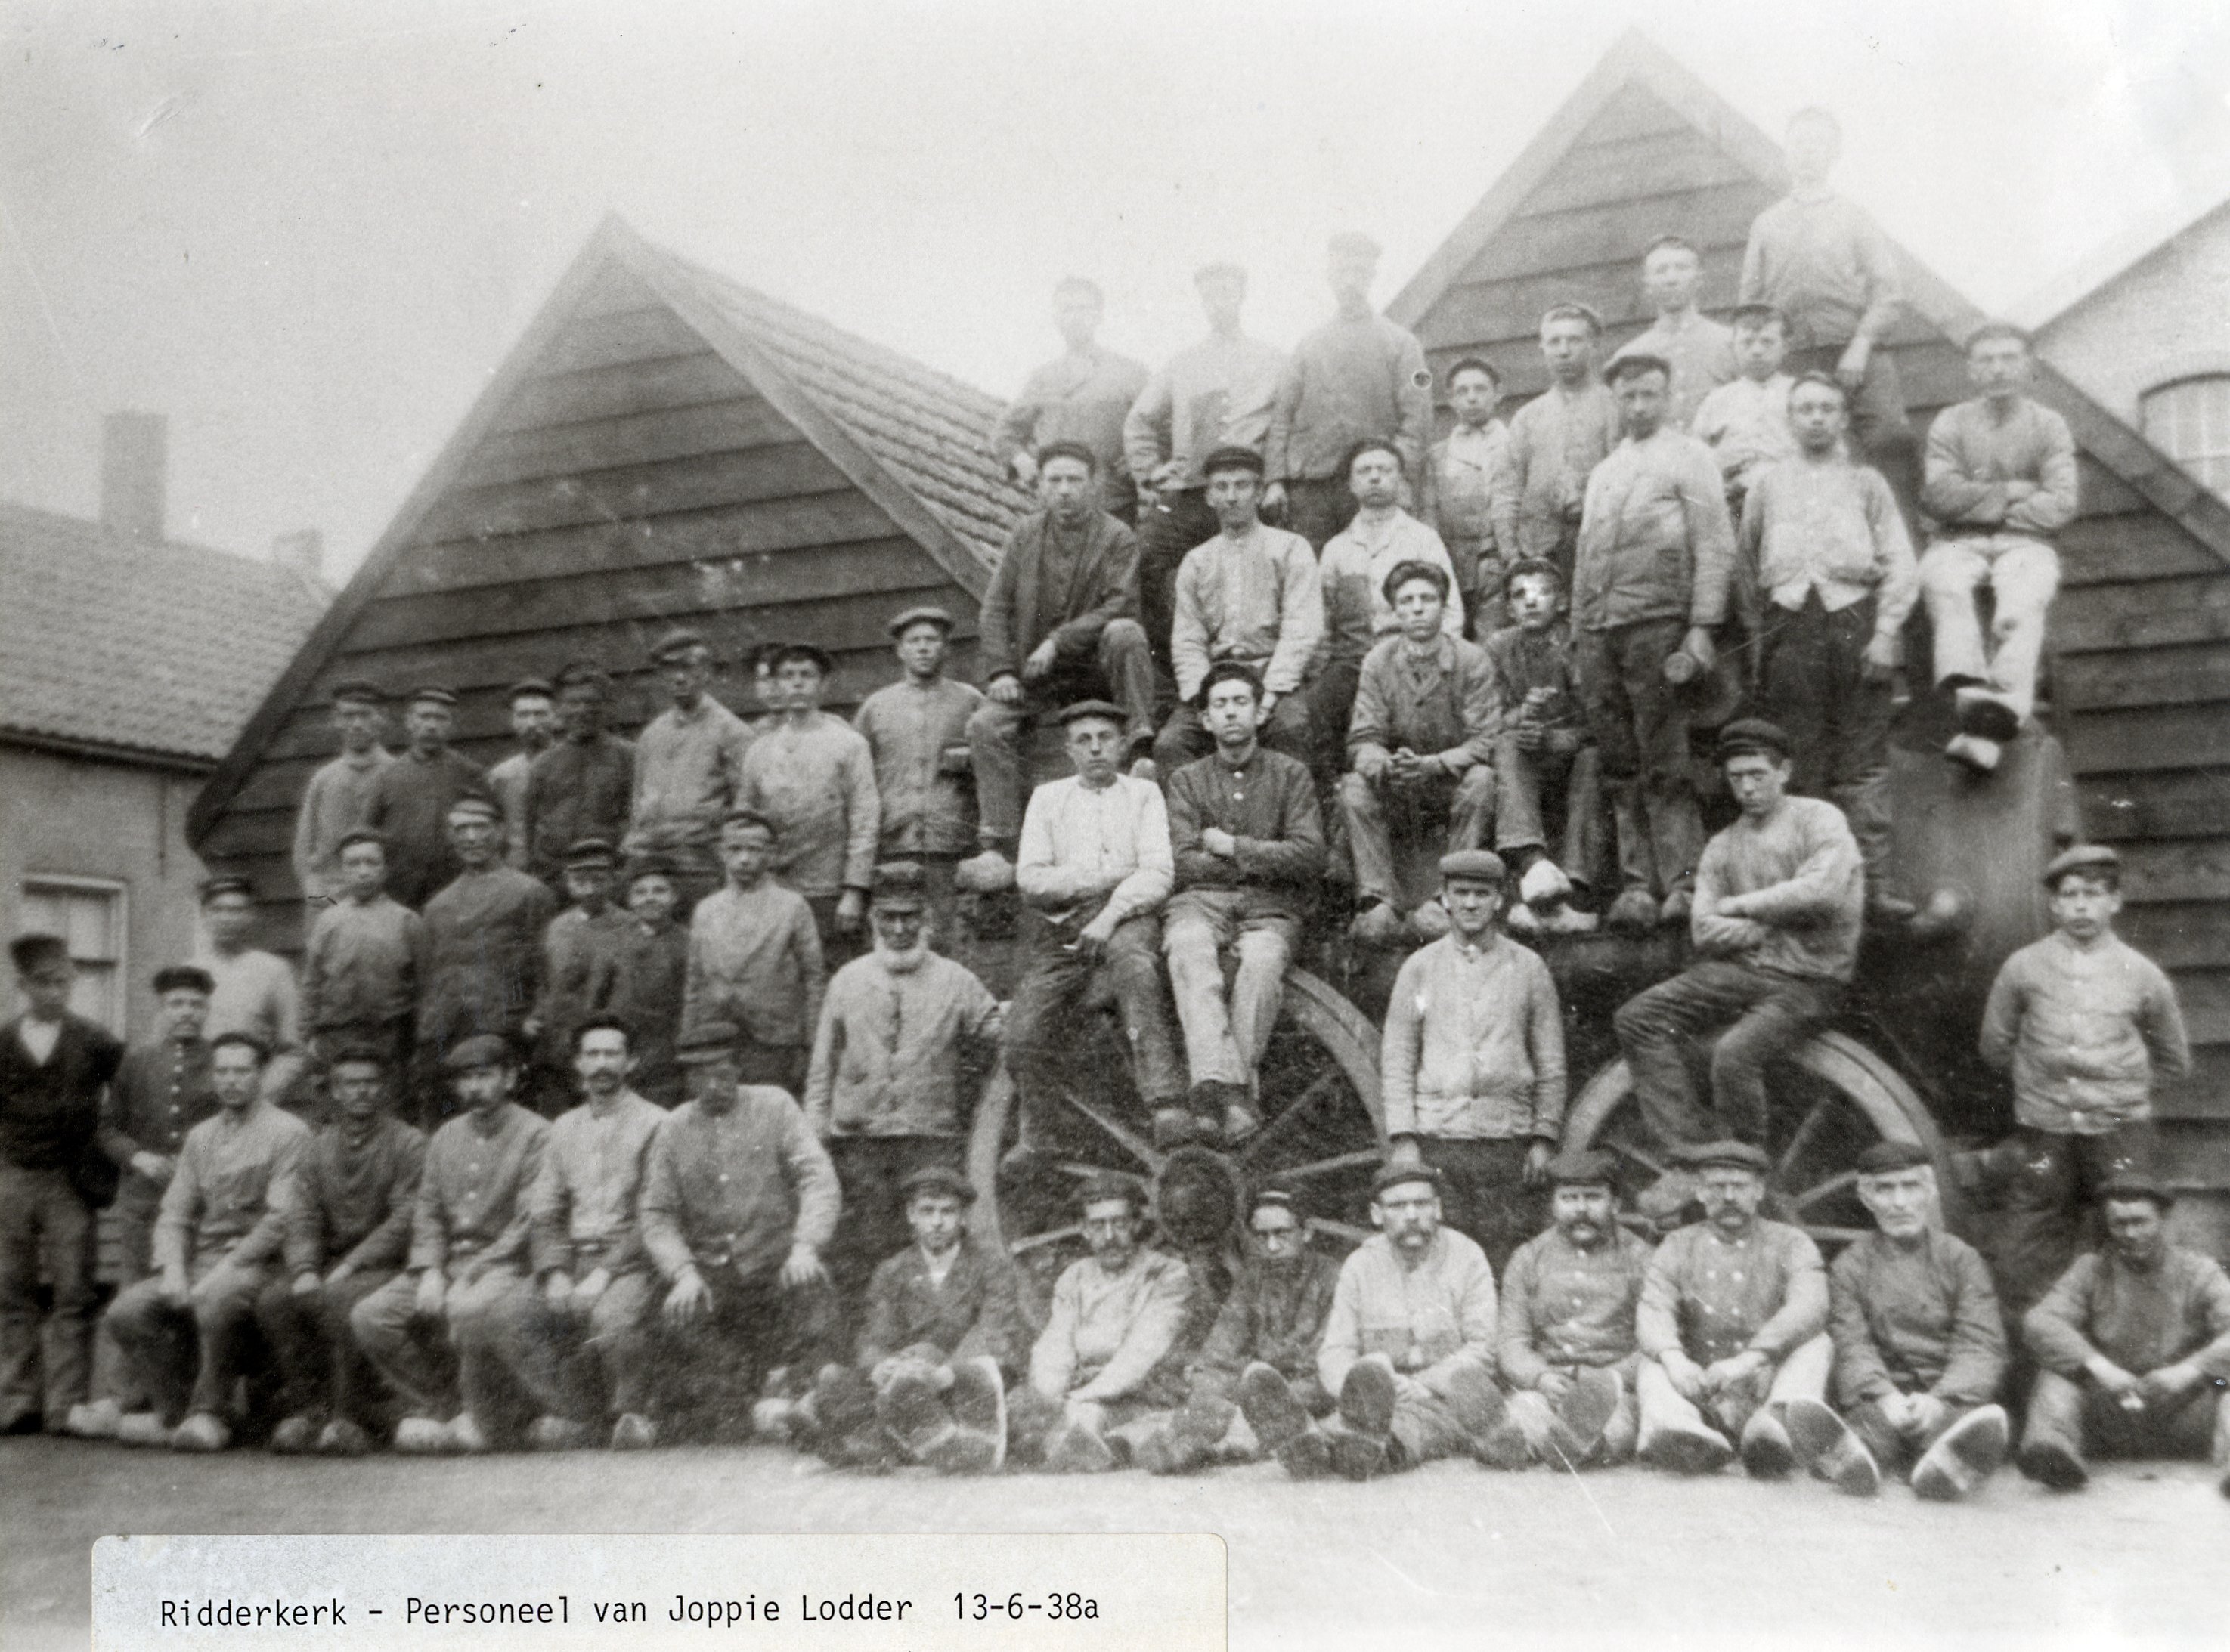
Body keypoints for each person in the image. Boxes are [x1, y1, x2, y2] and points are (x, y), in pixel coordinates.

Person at [1614, 721, 1863, 1179]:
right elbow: (1705, 931)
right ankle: (1693, 1151)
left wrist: (1740, 907)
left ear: (1784, 771)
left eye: (1757, 774)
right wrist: (1771, 926)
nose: (1747, 788)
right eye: (1736, 777)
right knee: (1637, 1018)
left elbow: (1823, 893)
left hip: (1812, 982)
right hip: (1745, 974)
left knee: (1733, 1055)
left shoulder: (1820, 820)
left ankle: (1744, 1164)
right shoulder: (1723, 845)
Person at [1978, 845, 2190, 1319]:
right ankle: (2037, 1346)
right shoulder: (2023, 967)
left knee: (2131, 1235)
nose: (2080, 906)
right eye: (2069, 895)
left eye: (2092, 894)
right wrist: (2042, 1087)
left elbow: (2174, 1061)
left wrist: (2119, 1095)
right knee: (2028, 1245)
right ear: (2054, 905)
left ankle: (2127, 1342)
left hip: (2120, 1135)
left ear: (2114, 901)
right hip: (2044, 1133)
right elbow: (1995, 1045)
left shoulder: (2142, 974)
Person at [1736, 371, 1919, 917]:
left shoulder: (1866, 483)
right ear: (1790, 419)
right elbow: (1745, 567)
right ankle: (1812, 890)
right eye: (1806, 409)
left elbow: (1900, 562)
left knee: (1862, 763)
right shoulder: (1768, 486)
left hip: (1855, 626)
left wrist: (1885, 634)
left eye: (1827, 409)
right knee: (1800, 761)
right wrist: (1761, 640)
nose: (1816, 418)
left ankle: (1874, 887)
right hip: (1790, 631)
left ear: (1842, 419)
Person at [1574, 352, 1736, 933]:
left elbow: (1715, 544)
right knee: (1620, 762)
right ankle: (1638, 885)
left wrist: (1702, 626)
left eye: (1649, 395)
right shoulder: (1605, 470)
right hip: (1600, 632)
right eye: (1629, 396)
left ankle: (1685, 883)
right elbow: (1585, 556)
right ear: (1616, 400)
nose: (1639, 406)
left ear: (1667, 398)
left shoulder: (1690, 458)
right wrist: (1579, 633)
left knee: (1666, 758)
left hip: (1659, 625)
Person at [804, 862, 1002, 1305]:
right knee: (865, 1243)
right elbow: (822, 1066)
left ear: (926, 918)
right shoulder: (847, 980)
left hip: (927, 1137)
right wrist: (817, 1131)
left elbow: (998, 1031)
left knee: (932, 1241)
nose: (899, 929)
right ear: (873, 920)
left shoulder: (956, 980)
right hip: (859, 1140)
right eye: (888, 918)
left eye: (909, 917)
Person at [963, 444, 1158, 890]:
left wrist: (1059, 640)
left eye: (1074, 480)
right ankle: (1000, 843)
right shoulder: (1024, 535)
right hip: (1036, 677)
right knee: (984, 726)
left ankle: (1140, 748)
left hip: (1094, 674)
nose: (1065, 490)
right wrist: (1002, 671)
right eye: (1055, 480)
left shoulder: (1117, 536)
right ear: (1040, 487)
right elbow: (995, 608)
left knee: (1126, 632)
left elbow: (1121, 603)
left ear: (1093, 485)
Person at [103, 1032, 310, 1451]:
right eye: (223, 1071)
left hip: (260, 1263)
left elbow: (280, 1220)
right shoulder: (201, 1136)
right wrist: (173, 1269)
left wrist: (222, 1271)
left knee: (215, 1301)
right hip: (204, 1259)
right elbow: (175, 1212)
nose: (230, 1080)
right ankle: (179, 1411)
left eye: (242, 1071)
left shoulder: (289, 1132)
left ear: (261, 1074)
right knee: (127, 1311)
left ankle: (209, 1411)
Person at [636, 1022, 843, 1443]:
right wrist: (682, 1272)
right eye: (701, 1076)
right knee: (673, 1316)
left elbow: (817, 1178)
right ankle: (737, 1412)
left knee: (815, 1295)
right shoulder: (673, 1128)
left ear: (739, 1068)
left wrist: (806, 1246)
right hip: (711, 1272)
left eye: (723, 1073)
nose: (713, 1086)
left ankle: (812, 1401)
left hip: (777, 1261)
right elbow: (657, 1213)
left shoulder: (776, 1106)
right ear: (688, 1077)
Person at [1002, 702, 1187, 1163]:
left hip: (1127, 917)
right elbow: (1032, 880)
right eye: (1084, 741)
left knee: (1134, 966)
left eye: (1105, 738)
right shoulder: (1048, 799)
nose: (1096, 749)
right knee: (1021, 1033)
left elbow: (1158, 873)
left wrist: (1110, 912)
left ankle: (1164, 1101)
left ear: (1123, 746)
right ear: (1069, 750)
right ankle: (1042, 1132)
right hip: (1064, 928)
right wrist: (1110, 876)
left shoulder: (1143, 794)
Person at [348, 1035, 550, 1453]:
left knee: (469, 1309)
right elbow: (429, 1212)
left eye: (485, 1076)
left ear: (510, 1079)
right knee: (372, 1316)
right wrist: (430, 1270)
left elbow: (529, 1220)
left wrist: (474, 1271)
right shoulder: (445, 1136)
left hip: (506, 1265)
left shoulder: (536, 1134)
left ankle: (482, 1415)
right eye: (465, 1079)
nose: (474, 1088)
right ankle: (435, 1404)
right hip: (447, 1263)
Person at [1240, 1160, 1504, 1480]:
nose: (1411, 1215)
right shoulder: (1360, 1265)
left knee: (1415, 1427)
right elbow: (1336, 1351)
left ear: (1438, 1209)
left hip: (1441, 1398)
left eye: (1421, 1204)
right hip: (1373, 1400)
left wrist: (1422, 1385)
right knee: (1354, 1421)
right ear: (1377, 1214)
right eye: (1397, 1206)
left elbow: (1483, 1348)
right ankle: (1311, 1444)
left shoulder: (1467, 1257)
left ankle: (1342, 1447)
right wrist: (1359, 1390)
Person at [1783, 1140, 2009, 1500]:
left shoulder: (1961, 1260)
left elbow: (1980, 1342)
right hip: (1882, 1397)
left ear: (1930, 1191)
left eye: (1911, 1186)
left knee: (1961, 1425)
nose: (1899, 1202)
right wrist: (1885, 1396)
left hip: (1948, 1394)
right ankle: (1857, 1458)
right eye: (1885, 1190)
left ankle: (1941, 1465)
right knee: (1869, 1427)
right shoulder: (1849, 1267)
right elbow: (1852, 1343)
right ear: (1866, 1197)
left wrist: (1940, 1399)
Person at [1162, 663, 1324, 1147]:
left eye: (1240, 702)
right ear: (1206, 720)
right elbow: (1182, 862)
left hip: (1270, 908)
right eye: (1220, 705)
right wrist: (1263, 859)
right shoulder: (1187, 781)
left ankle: (1215, 1095)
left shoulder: (1291, 775)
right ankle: (1233, 1093)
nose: (1231, 713)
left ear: (1259, 713)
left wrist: (1232, 847)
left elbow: (1309, 856)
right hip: (1201, 904)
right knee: (1188, 947)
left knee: (1262, 960)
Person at [1379, 851, 1563, 1270]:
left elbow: (1551, 1062)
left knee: (1505, 1257)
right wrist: (1404, 1138)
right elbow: (1398, 1058)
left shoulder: (1528, 968)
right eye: (1461, 893)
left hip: (1507, 1143)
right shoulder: (1420, 969)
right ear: (1445, 898)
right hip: (1439, 1141)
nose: (1471, 904)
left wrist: (1544, 1137)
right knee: (1441, 1262)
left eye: (1482, 894)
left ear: (1499, 900)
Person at [488, 1016, 666, 1451]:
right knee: (507, 1316)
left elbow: (655, 1214)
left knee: (613, 1318)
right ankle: (578, 1414)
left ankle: (632, 1413)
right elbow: (546, 1211)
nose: (602, 1064)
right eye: (592, 1054)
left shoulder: (657, 1124)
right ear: (578, 1063)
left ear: (631, 1062)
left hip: (634, 1262)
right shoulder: (564, 1128)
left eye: (612, 1054)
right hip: (574, 1259)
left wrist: (605, 1273)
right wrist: (554, 1272)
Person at [1917, 323, 2080, 772]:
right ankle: (1969, 693)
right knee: (1942, 582)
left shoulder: (2048, 425)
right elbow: (1940, 497)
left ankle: (1997, 712)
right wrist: (2014, 491)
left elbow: (2061, 503)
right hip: (1957, 542)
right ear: (1971, 370)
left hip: (2026, 542)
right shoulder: (1951, 422)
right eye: (1986, 360)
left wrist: (1980, 506)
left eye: (2009, 358)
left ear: (2028, 365)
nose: (1998, 369)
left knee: (2022, 600)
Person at [1739, 106, 1918, 513]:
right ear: (1786, 152)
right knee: (1787, 448)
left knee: (1890, 438)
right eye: (1799, 142)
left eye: (1818, 143)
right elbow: (1750, 303)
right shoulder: (1766, 224)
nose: (1808, 151)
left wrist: (1862, 344)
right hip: (1792, 359)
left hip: (1855, 352)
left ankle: (1902, 542)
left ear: (1834, 152)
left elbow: (1889, 293)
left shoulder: (1855, 217)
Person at [254, 1044, 425, 1456]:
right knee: (275, 1300)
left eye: (370, 1083)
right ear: (334, 1091)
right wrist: (304, 1268)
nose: (361, 1091)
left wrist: (352, 1263)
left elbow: (405, 1218)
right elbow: (303, 1215)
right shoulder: (318, 1148)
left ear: (384, 1088)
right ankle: (307, 1409)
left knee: (340, 1300)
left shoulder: (408, 1143)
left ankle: (347, 1417)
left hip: (389, 1264)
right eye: (350, 1084)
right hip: (330, 1265)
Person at [70, 965, 218, 1436]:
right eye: (177, 1004)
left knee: (189, 1296)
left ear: (206, 1009)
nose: (186, 1012)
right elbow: (107, 1127)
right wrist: (138, 1158)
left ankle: (187, 1400)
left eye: (195, 1004)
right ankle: (121, 1398)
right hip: (142, 1200)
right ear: (163, 1008)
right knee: (132, 1294)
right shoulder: (136, 1061)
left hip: (199, 1204)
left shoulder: (221, 1062)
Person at [1634, 1140, 1831, 1478]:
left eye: (1739, 1186)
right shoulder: (1677, 1245)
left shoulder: (1792, 1242)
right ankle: (1683, 1431)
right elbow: (1654, 1308)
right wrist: (1675, 1360)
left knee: (1818, 1344)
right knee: (1652, 1361)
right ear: (1699, 1192)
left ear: (1759, 1191)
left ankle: (1774, 1429)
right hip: (1701, 1384)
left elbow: (1810, 1305)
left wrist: (1750, 1360)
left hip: (1763, 1382)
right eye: (1717, 1186)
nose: (1728, 1197)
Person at [1125, 262, 1287, 673]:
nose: (1219, 302)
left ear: (1242, 295)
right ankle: (1175, 669)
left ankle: (1248, 669)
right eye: (1211, 294)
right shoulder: (1183, 363)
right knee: (1150, 559)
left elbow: (1286, 425)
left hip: (1247, 494)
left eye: (1227, 292)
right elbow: (1139, 420)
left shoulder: (1272, 360)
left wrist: (1275, 480)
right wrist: (1151, 472)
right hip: (1191, 494)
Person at [2023, 1177, 2230, 1495]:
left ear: (2163, 1220)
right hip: (2114, 1409)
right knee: (2056, 1373)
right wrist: (2100, 1367)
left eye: (2140, 1222)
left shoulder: (2200, 1271)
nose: (2130, 1234)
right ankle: (2055, 1454)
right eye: (2119, 1224)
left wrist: (2190, 1370)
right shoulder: (2090, 1270)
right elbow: (2040, 1321)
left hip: (2186, 1409)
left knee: (2224, 1379)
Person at [1339, 564, 1501, 947]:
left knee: (1482, 780)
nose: (1417, 609)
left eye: (1427, 599)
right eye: (1406, 601)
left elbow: (1485, 739)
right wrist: (1385, 764)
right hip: (1398, 783)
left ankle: (1449, 895)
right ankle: (1377, 899)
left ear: (1443, 606)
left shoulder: (1471, 660)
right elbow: (1363, 737)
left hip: (1448, 783)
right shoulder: (1378, 661)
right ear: (1395, 610)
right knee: (1353, 787)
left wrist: (1434, 765)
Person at [0, 933, 123, 1436]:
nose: (55, 992)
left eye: (64, 982)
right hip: (13, 1178)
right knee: (12, 1291)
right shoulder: (3, 1042)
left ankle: (65, 1405)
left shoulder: (95, 1041)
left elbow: (127, 1093)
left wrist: (106, 1152)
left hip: (70, 1183)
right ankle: (18, 1399)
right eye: (44, 983)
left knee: (74, 1292)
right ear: (23, 985)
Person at [1134, 1183, 1340, 1476]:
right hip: (1253, 1396)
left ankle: (1225, 1445)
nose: (1272, 1246)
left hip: (1307, 1398)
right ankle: (1199, 1444)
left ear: (1306, 1232)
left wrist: (1254, 1402)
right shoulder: (1251, 1282)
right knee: (1203, 1407)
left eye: (1282, 1234)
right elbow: (1219, 1357)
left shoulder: (1332, 1279)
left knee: (1270, 1422)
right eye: (1262, 1236)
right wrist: (1210, 1398)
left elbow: (1327, 1369)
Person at [835, 1165, 1022, 1474]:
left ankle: (917, 1441)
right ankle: (912, 1438)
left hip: (964, 1382)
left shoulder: (991, 1266)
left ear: (963, 1217)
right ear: (911, 1215)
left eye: (948, 1211)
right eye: (927, 1211)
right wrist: (882, 1366)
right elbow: (875, 1336)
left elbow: (994, 1333)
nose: (937, 1222)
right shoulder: (892, 1271)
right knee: (835, 1381)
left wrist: (946, 1373)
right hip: (909, 1382)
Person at [1007, 1174, 1195, 1472]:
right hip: (1080, 1396)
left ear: (1137, 1224)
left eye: (1119, 1224)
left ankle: (1110, 1445)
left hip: (1141, 1395)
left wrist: (1080, 1398)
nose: (1109, 1236)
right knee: (1026, 1410)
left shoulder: (1168, 1274)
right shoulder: (1075, 1276)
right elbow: (1056, 1345)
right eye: (1098, 1225)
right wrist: (1050, 1398)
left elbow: (1142, 1353)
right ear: (1084, 1229)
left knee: (1085, 1420)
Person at [1156, 446, 1324, 773]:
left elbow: (1302, 630)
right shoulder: (1197, 561)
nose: (1231, 497)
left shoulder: (1290, 548)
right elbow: (1188, 638)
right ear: (1209, 497)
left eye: (1242, 486)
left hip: (1271, 675)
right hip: (1216, 678)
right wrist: (1206, 698)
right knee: (1172, 744)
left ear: (1259, 493)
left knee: (1290, 730)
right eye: (1221, 487)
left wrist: (1271, 694)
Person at [1262, 231, 1432, 550]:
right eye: (1343, 272)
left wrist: (1400, 476)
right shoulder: (1307, 346)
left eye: (1359, 272)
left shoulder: (1402, 344)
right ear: (1330, 277)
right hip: (1312, 492)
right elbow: (1281, 417)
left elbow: (1418, 417)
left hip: (1374, 485)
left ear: (1372, 277)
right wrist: (1274, 480)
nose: (1351, 281)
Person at [1496, 1148, 1654, 1468]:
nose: (1581, 1209)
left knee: (1615, 1425)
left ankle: (1581, 1447)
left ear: (1616, 1204)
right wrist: (1540, 1377)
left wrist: (1609, 1378)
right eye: (1569, 1198)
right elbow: (1512, 1341)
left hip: (1613, 1390)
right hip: (1547, 1384)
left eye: (1593, 1197)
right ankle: (1512, 1442)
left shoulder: (1642, 1258)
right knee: (1524, 1414)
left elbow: (1653, 1344)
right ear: (1553, 1205)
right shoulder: (1528, 1258)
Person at [1314, 438, 1468, 763]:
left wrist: (1434, 658)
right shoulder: (1336, 549)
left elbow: (1451, 610)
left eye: (1384, 470)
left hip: (1411, 657)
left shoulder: (1422, 539)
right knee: (1316, 710)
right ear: (1351, 484)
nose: (1374, 477)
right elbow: (1322, 621)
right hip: (1353, 663)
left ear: (1400, 479)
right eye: (1364, 471)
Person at [415, 797, 558, 1127]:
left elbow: (549, 967)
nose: (471, 837)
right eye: (461, 829)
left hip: (509, 1032)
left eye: (480, 827)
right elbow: (431, 979)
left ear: (501, 832)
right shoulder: (438, 906)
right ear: (451, 838)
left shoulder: (529, 893)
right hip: (453, 1034)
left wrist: (537, 1017)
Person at [735, 642, 879, 951]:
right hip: (774, 889)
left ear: (823, 684)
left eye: (807, 675)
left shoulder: (848, 744)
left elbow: (865, 819)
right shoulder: (759, 751)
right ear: (777, 685)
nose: (797, 683)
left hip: (830, 890)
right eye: (788, 676)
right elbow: (744, 823)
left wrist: (854, 890)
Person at [1487, 558, 1600, 936]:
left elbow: (1600, 721)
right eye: (1520, 595)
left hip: (1571, 757)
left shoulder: (1577, 646)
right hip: (1526, 763)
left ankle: (1575, 887)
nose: (1531, 602)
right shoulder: (1498, 647)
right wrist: (1521, 718)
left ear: (1562, 601)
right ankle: (1533, 863)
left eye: (1542, 592)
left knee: (1593, 759)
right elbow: (1486, 717)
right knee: (1506, 744)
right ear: (1509, 607)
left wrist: (1557, 739)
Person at [680, 810, 826, 1097]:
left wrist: (811, 1043)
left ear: (771, 854)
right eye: (735, 849)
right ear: (722, 853)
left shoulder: (793, 907)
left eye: (754, 850)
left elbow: (814, 979)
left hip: (774, 1040)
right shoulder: (707, 909)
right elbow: (694, 982)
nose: (744, 859)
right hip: (716, 1038)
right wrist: (688, 1038)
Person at [995, 275, 1150, 521]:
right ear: (1056, 319)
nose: (1076, 317)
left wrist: (1137, 464)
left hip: (1112, 505)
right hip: (1054, 509)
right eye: (1067, 310)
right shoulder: (1043, 378)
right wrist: (1021, 460)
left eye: (1084, 309)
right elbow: (1005, 433)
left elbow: (1158, 430)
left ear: (1099, 316)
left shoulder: (1130, 373)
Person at [1489, 304, 1623, 585]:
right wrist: (1511, 556)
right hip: (1539, 552)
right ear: (1543, 348)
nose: (1563, 351)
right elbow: (1507, 490)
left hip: (1603, 549)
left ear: (1594, 345)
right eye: (1554, 342)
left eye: (1574, 340)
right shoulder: (1528, 417)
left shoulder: (1615, 407)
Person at [853, 608, 983, 895]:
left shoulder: (971, 701)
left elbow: (993, 767)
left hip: (953, 841)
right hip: (893, 841)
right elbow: (857, 777)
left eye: (931, 640)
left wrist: (970, 760)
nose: (923, 648)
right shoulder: (876, 707)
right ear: (900, 651)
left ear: (946, 649)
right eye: (914, 641)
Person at [626, 632, 754, 913]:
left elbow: (744, 808)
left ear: (707, 672)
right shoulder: (652, 735)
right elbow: (638, 803)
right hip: (651, 865)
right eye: (670, 669)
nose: (679, 678)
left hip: (701, 865)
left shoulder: (732, 732)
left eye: (689, 668)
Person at [300, 829, 426, 1081]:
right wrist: (305, 1036)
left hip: (391, 1036)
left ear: (386, 869)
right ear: (341, 871)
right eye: (353, 864)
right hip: (337, 1035)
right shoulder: (328, 921)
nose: (363, 872)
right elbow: (312, 984)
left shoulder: (406, 921)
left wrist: (421, 1041)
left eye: (372, 863)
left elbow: (424, 988)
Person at [521, 839, 633, 1112]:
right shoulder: (557, 927)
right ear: (568, 882)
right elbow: (545, 981)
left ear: (613, 881)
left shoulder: (628, 926)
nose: (590, 888)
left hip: (602, 1045)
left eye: (598, 880)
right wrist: (536, 1016)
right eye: (581, 880)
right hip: (556, 1047)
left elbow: (626, 993)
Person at [362, 685, 489, 908]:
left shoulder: (470, 774)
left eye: (440, 718)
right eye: (424, 717)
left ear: (451, 725)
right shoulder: (386, 777)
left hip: (455, 888)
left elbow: (490, 829)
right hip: (399, 890)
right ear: (410, 722)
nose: (431, 725)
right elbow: (367, 832)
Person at [193, 874, 307, 1111]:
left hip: (254, 1102)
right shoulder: (189, 972)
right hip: (197, 1103)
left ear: (251, 916)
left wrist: (259, 1098)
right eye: (217, 910)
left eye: (236, 910)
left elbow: (293, 1051)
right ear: (204, 915)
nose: (226, 918)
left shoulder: (274, 971)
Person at [522, 664, 636, 890]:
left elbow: (637, 818)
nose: (582, 711)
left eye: (591, 702)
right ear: (560, 709)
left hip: (609, 874)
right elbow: (531, 824)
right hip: (554, 875)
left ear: (606, 707)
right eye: (573, 703)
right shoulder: (544, 763)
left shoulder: (628, 757)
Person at [1610, 236, 1737, 427]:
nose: (1671, 279)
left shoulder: (1730, 343)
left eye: (1681, 268)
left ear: (1699, 279)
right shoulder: (1630, 355)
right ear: (1647, 285)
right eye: (1661, 271)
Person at [1421, 357, 1510, 630]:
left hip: (1502, 562)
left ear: (1498, 393)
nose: (1472, 398)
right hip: (1455, 564)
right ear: (1451, 399)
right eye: (1462, 391)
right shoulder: (1438, 455)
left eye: (1480, 389)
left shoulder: (1514, 444)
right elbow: (1429, 514)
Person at [291, 679, 394, 906]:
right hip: (329, 898)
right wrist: (317, 895)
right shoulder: (324, 779)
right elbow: (304, 846)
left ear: (382, 718)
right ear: (336, 720)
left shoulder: (397, 774)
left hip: (383, 899)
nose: (356, 724)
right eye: (348, 716)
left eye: (365, 715)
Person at [1690, 303, 1798, 517]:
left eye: (1767, 342)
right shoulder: (1718, 400)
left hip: (1790, 496)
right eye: (1747, 342)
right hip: (1732, 499)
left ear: (1786, 346)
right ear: (1733, 347)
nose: (1757, 351)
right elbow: (1697, 451)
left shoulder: (1799, 393)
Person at [606, 857, 689, 1107]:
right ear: (630, 900)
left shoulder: (688, 943)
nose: (649, 898)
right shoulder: (615, 941)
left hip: (667, 1055)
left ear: (674, 897)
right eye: (640, 893)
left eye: (659, 891)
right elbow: (598, 996)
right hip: (621, 1049)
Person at [485, 679, 559, 872]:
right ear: (513, 721)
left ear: (555, 717)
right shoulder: (501, 775)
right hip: (517, 869)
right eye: (523, 715)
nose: (532, 723)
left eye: (540, 714)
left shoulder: (570, 763)